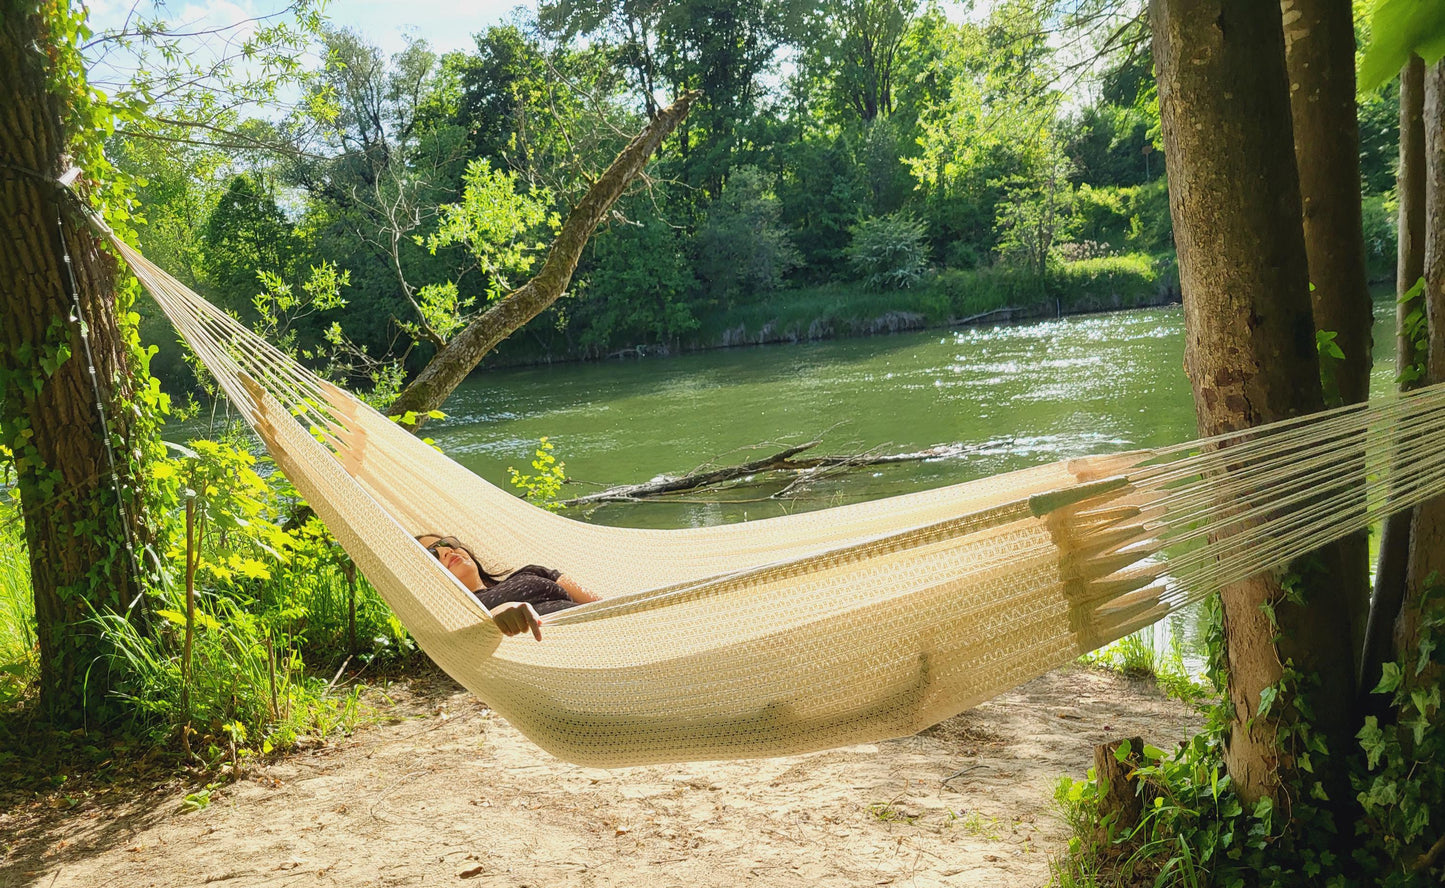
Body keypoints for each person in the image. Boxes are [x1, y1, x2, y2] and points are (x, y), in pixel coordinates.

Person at [417, 534, 600, 641]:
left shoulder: (531, 571)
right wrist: (498, 613)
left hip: (600, 630)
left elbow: (602, 606)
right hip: (564, 654)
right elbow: (468, 641)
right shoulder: (456, 613)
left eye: (445, 543)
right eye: (433, 554)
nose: (445, 551)